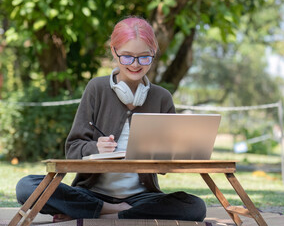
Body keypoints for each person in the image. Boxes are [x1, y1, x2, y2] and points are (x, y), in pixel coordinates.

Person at [16, 16, 206, 222]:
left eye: (144, 57)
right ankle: (105, 209)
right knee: (26, 187)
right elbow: (72, 149)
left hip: (141, 197)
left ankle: (108, 214)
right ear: (114, 52)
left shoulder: (162, 97)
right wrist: (96, 148)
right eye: (127, 57)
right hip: (92, 193)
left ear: (153, 54)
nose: (135, 64)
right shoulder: (96, 89)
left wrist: (168, 156)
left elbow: (169, 161)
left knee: (195, 207)